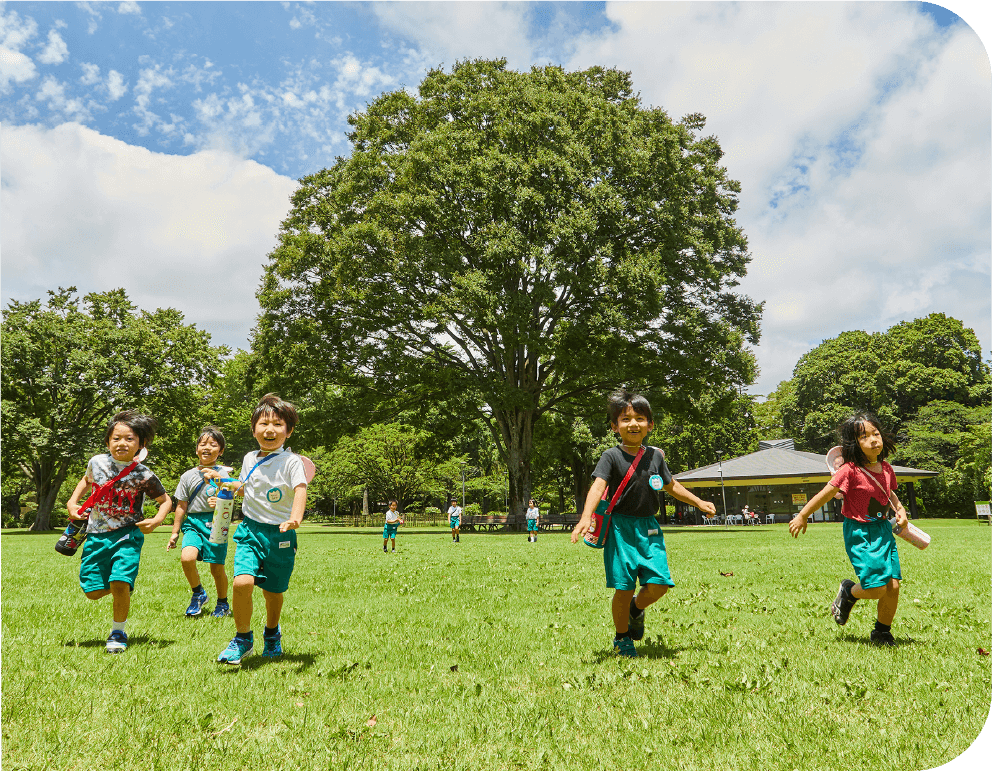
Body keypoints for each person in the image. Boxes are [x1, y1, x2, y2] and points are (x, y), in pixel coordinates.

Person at [571, 389, 717, 658]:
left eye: (640, 418)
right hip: (620, 529)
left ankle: (636, 610)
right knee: (623, 587)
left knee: (660, 584)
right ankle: (622, 637)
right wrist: (585, 516)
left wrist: (699, 502)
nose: (633, 424)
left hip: (649, 529)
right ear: (615, 427)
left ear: (650, 425)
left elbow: (672, 486)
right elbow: (598, 485)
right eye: (625, 419)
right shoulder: (610, 456)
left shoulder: (655, 456)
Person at [788, 412, 908, 646]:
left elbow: (889, 493)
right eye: (865, 436)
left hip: (883, 530)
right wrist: (802, 515)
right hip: (860, 533)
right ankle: (848, 592)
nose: (874, 439)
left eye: (876, 433)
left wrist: (900, 509)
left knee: (892, 585)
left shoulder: (886, 469)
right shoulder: (849, 471)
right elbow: (826, 493)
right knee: (875, 588)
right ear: (855, 444)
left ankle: (882, 631)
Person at [209, 394, 308, 664]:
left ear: (288, 431)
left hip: (280, 535)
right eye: (264, 423)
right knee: (242, 582)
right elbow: (243, 485)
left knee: (273, 592)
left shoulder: (291, 462)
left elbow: (301, 489)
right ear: (253, 429)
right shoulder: (249, 458)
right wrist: (224, 485)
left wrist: (296, 518)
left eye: (278, 424)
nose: (270, 429)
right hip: (250, 530)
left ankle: (272, 634)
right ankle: (242, 639)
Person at [66, 410, 172, 653]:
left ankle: (118, 631)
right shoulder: (97, 462)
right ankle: (120, 588)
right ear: (107, 442)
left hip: (127, 535)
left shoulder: (143, 474)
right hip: (95, 535)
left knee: (119, 582)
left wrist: (157, 520)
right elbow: (86, 480)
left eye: (129, 439)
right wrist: (73, 503)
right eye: (116, 438)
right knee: (92, 592)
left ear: (140, 445)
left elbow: (166, 501)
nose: (122, 443)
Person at [167, 426, 232, 618]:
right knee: (187, 558)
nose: (207, 448)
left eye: (213, 445)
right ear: (196, 449)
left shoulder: (225, 474)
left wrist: (220, 501)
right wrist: (175, 532)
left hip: (217, 523)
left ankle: (223, 603)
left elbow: (231, 498)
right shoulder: (187, 476)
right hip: (193, 522)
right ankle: (198, 593)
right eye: (203, 444)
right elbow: (181, 505)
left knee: (216, 568)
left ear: (220, 451)